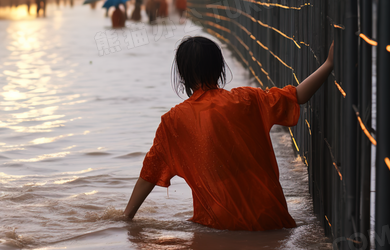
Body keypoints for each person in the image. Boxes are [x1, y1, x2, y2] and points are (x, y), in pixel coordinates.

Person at [123, 36, 335, 231]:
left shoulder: (174, 121)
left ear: (183, 74)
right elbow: (298, 95)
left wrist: (126, 218)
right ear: (219, 68)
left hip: (219, 223)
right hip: (270, 216)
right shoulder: (248, 99)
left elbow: (148, 175)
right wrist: (328, 64)